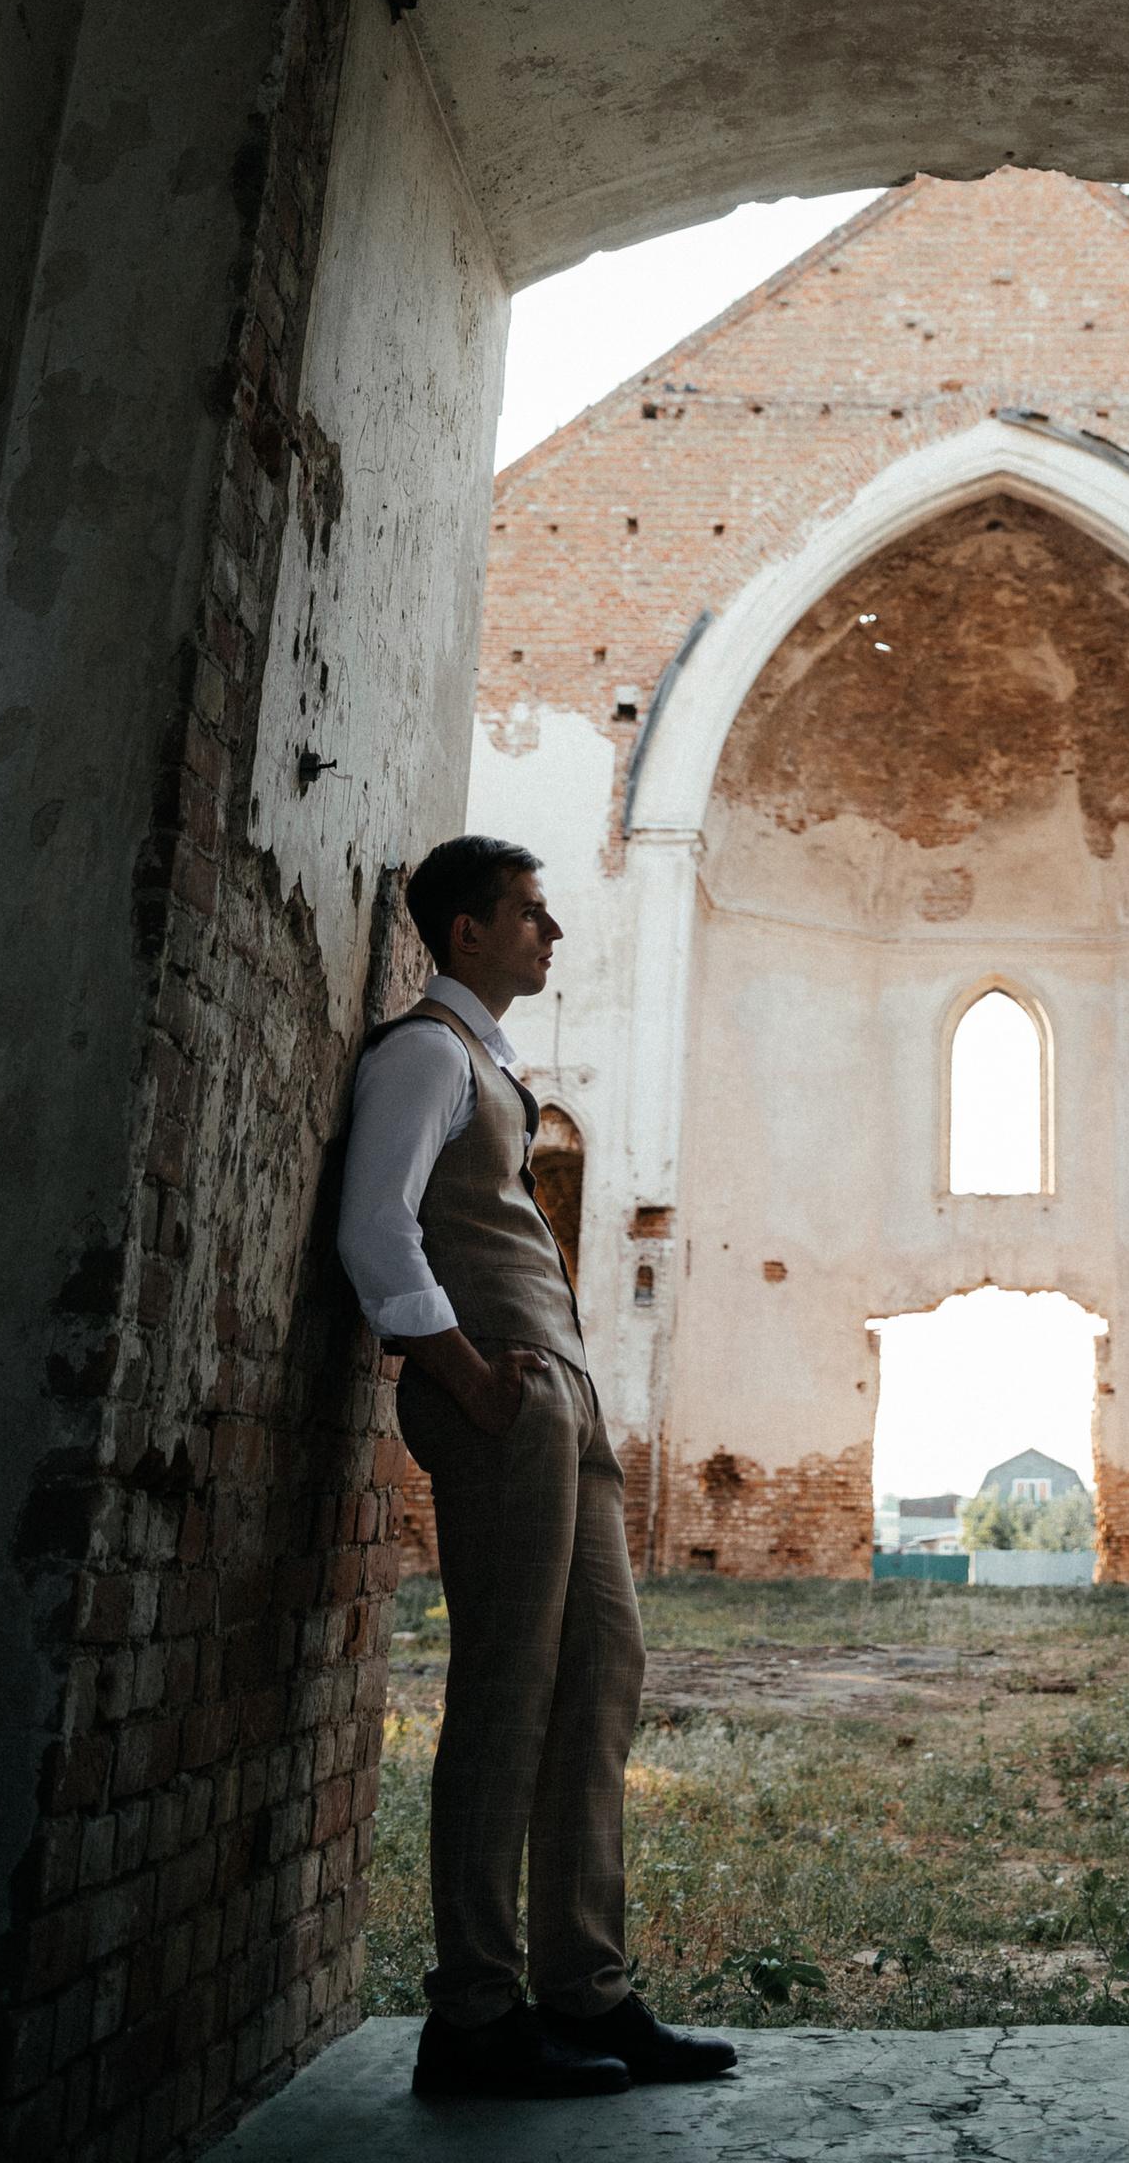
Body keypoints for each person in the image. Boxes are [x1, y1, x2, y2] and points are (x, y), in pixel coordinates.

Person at [339, 832, 737, 2101]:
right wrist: (458, 1370)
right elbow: (373, 1225)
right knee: (505, 1691)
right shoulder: (422, 1053)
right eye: (528, 913)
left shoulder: (495, 1065)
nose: (551, 934)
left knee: (601, 1670)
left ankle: (587, 1986)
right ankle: (472, 2014)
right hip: (497, 1387)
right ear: (466, 933)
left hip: (560, 1392)